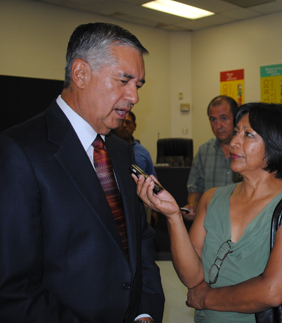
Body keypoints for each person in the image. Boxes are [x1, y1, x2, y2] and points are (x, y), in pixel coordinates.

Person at [0, 23, 164, 322]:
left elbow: (138, 241)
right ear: (80, 74)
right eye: (124, 80)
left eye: (138, 85)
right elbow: (14, 287)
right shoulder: (19, 151)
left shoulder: (119, 149)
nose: (134, 97)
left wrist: (144, 313)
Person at [135, 102, 282, 322]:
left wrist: (206, 299)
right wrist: (173, 217)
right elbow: (193, 278)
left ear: (277, 144)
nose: (234, 142)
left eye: (248, 135)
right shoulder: (212, 198)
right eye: (236, 133)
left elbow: (272, 291)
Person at [183, 95, 240, 221]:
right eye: (213, 120)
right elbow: (195, 189)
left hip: (243, 224)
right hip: (211, 224)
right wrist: (193, 206)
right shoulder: (204, 152)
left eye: (224, 118)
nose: (218, 125)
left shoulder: (249, 150)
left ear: (236, 118)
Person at [114, 111, 157, 178]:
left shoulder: (143, 152)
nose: (124, 125)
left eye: (128, 122)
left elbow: (152, 180)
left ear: (134, 126)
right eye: (121, 122)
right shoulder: (107, 149)